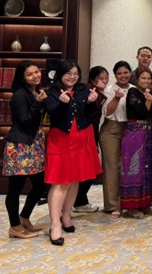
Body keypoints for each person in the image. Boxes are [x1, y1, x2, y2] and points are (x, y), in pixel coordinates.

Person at [43, 59, 102, 246]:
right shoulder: (52, 92)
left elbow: (88, 113)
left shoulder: (83, 89)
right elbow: (53, 113)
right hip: (61, 141)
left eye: (75, 74)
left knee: (76, 178)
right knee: (60, 182)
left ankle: (66, 215)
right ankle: (54, 226)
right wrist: (62, 104)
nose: (72, 77)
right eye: (68, 74)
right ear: (61, 74)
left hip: (82, 139)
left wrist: (93, 103)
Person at [3, 60, 47, 239]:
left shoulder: (36, 91)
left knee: (40, 184)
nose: (35, 76)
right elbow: (24, 120)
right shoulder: (20, 94)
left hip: (34, 144)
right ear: (22, 78)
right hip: (20, 146)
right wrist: (38, 103)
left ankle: (24, 218)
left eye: (36, 71)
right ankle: (14, 226)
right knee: (15, 187)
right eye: (29, 74)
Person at [99, 60, 133, 219]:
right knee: (112, 168)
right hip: (110, 130)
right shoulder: (109, 89)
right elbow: (107, 112)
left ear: (130, 73)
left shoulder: (134, 89)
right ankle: (113, 205)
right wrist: (117, 98)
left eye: (126, 72)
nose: (123, 75)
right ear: (115, 75)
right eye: (119, 73)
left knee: (128, 167)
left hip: (130, 130)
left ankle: (128, 202)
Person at [73, 65, 109, 213]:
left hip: (92, 130)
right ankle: (79, 201)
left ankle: (80, 200)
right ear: (93, 80)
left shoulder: (99, 92)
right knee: (89, 168)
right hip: (85, 132)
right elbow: (88, 112)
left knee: (90, 168)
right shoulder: (89, 91)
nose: (105, 81)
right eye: (101, 78)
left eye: (106, 78)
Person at [121, 67, 152, 219]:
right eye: (143, 78)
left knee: (146, 169)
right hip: (134, 133)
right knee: (133, 169)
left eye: (149, 78)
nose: (146, 81)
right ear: (136, 79)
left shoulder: (150, 93)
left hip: (148, 133)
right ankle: (131, 207)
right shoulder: (133, 92)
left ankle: (144, 203)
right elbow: (142, 112)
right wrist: (148, 101)